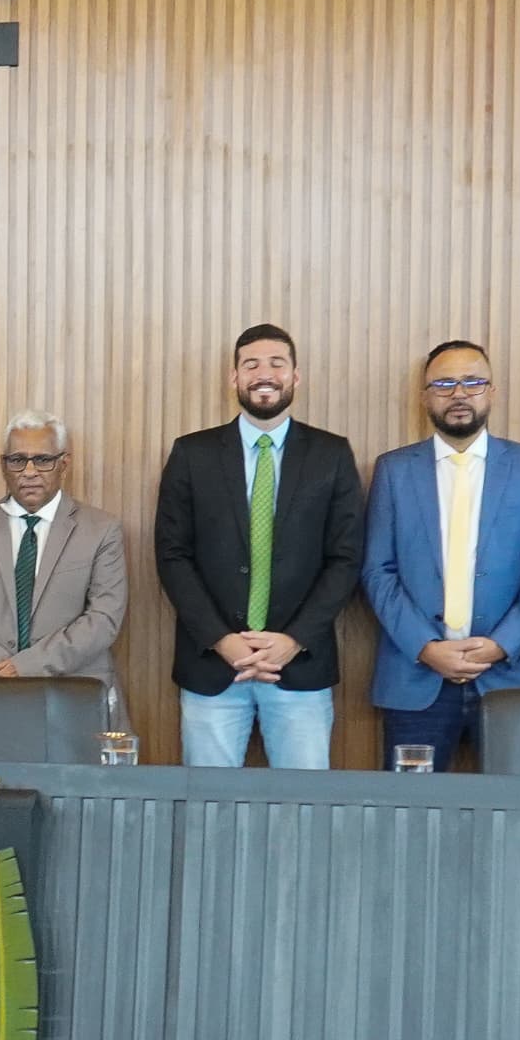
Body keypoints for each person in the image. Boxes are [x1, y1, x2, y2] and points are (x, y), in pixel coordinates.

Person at [154, 325, 369, 769]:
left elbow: (345, 558)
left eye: (277, 363)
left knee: (303, 809)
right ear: (234, 377)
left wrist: (293, 640)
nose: (264, 374)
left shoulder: (331, 454)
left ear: (296, 376)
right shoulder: (192, 453)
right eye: (251, 364)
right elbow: (173, 555)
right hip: (212, 665)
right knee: (207, 808)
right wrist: (221, 639)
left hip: (300, 664)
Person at [363, 338, 520, 768]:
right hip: (417, 678)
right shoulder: (394, 470)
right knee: (409, 815)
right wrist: (426, 646)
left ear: (492, 391)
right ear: (425, 396)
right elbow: (379, 571)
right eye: (445, 383)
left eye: (472, 382)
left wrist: (500, 645)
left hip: (509, 676)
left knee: (518, 814)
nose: (459, 394)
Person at [0, 410, 131, 692]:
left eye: (42, 460)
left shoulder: (101, 529)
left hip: (74, 690)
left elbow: (104, 618)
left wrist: (26, 667)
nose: (29, 472)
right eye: (17, 460)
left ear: (63, 463)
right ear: (4, 465)